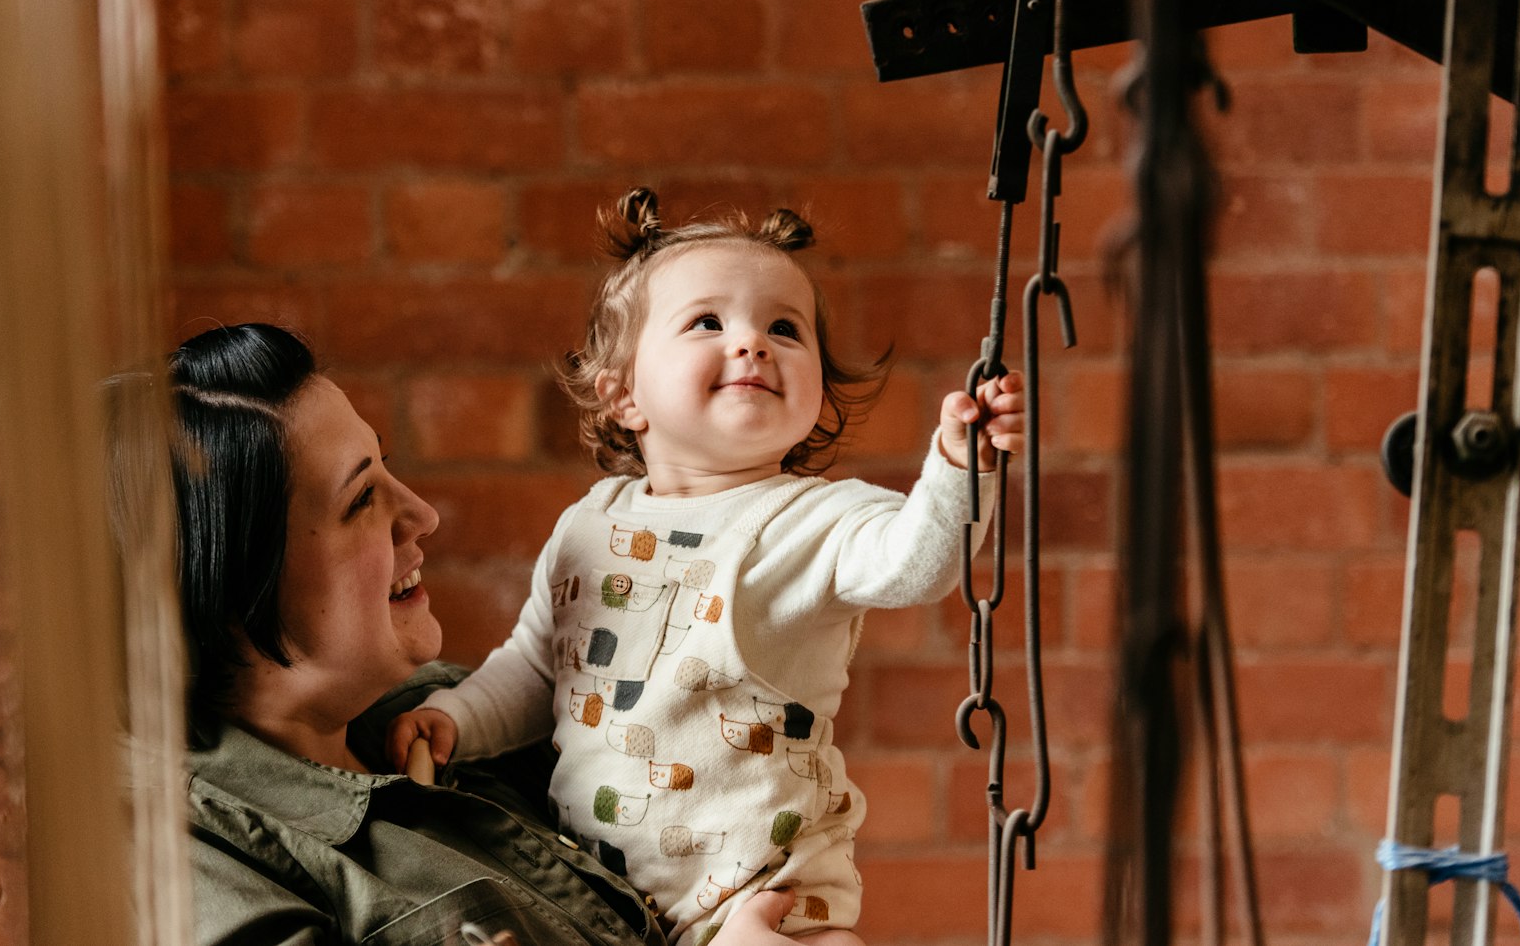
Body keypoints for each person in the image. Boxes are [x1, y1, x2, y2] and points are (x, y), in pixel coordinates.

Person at [387, 191, 1024, 946]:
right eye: (708, 322)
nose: (753, 342)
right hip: (600, 902)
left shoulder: (811, 520)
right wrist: (458, 716)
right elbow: (534, 668)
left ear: (819, 398)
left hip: (763, 901)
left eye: (784, 328)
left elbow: (912, 566)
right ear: (624, 394)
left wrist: (959, 466)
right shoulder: (589, 526)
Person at [150, 321, 813, 946]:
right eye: (360, 501)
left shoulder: (469, 722)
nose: (422, 514)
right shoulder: (193, 865)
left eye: (387, 467)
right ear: (234, 587)